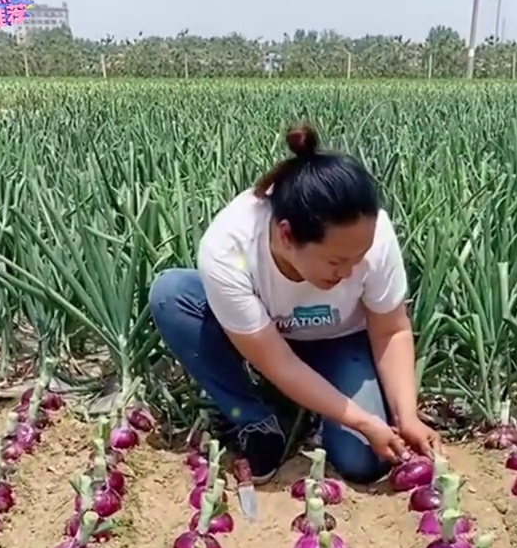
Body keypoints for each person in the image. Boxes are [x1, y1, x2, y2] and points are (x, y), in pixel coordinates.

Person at [148, 122, 439, 485]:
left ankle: (315, 402)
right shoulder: (229, 247)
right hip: (269, 342)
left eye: (359, 257)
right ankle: (257, 421)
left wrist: (406, 415)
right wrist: (363, 420)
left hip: (339, 340)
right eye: (336, 261)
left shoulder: (371, 234)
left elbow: (391, 329)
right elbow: (280, 363)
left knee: (364, 462)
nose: (350, 272)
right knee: (172, 292)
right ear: (287, 235)